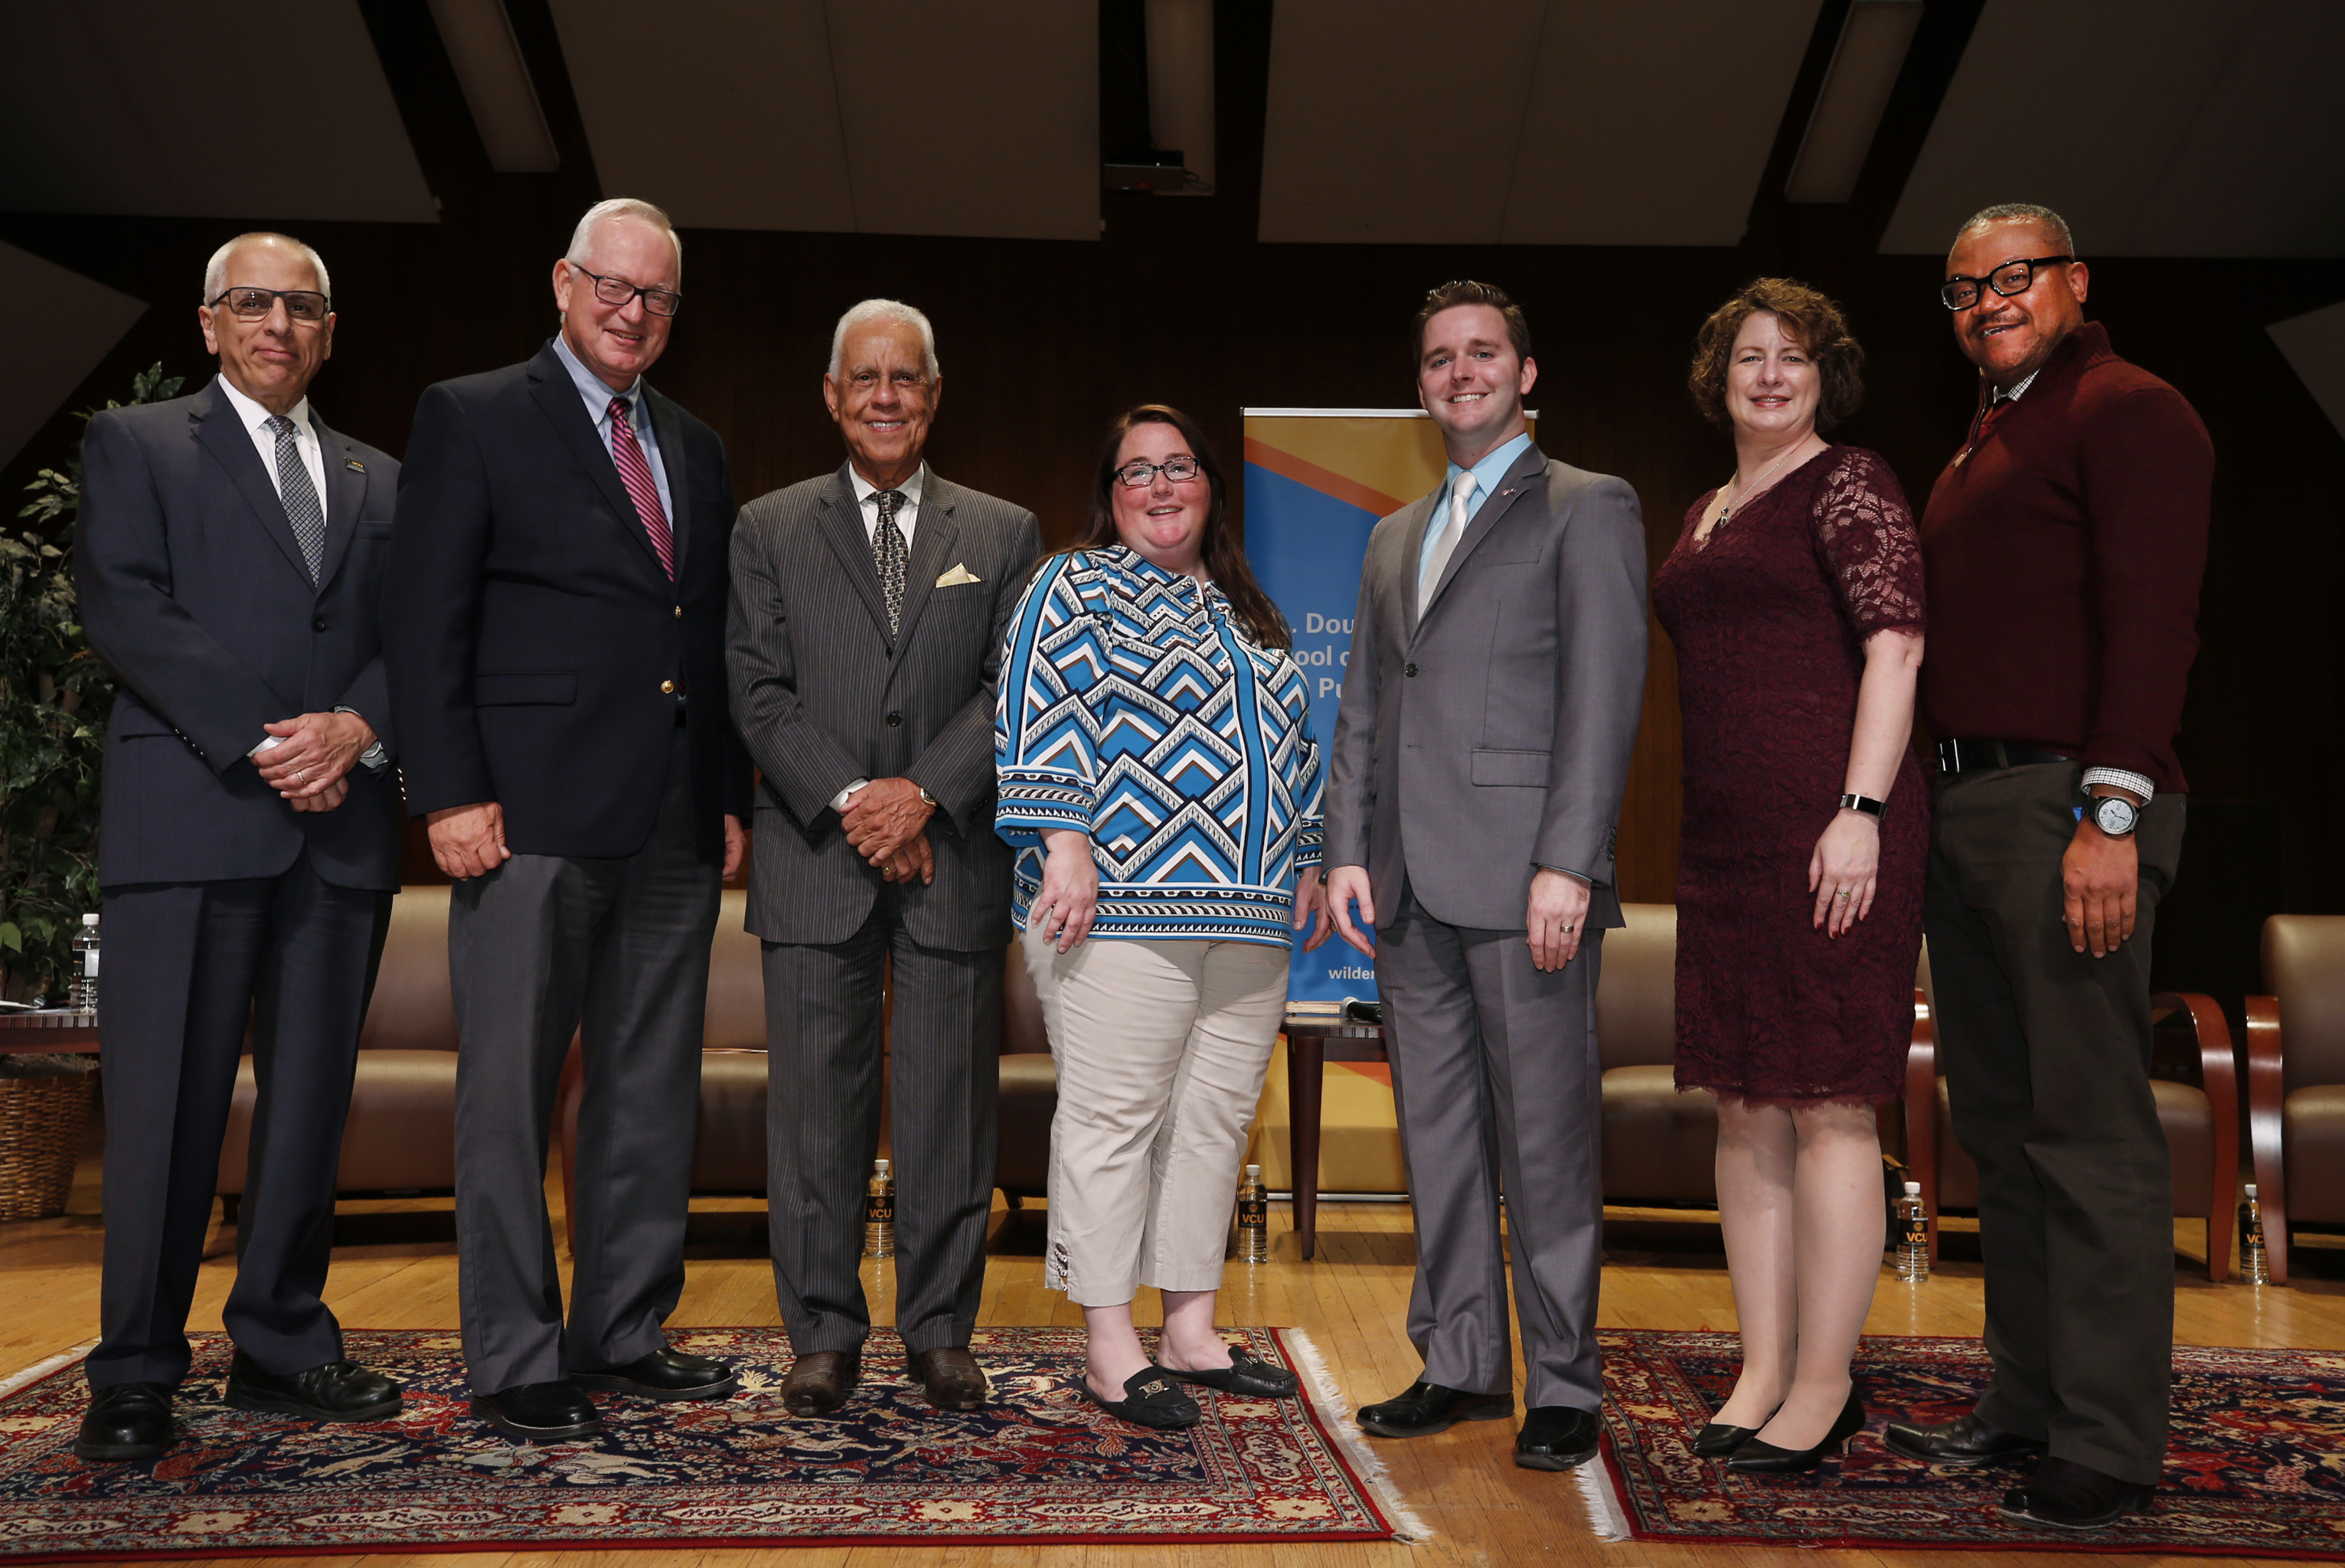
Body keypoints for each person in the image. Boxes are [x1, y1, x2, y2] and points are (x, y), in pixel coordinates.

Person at [382, 198, 751, 1443]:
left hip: (670, 819)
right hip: (522, 812)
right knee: (508, 1094)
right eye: (613, 286)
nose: (632, 311)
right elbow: (423, 618)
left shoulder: (695, 446)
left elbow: (702, 633)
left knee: (649, 1091)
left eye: (656, 296)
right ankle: (515, 1354)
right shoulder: (473, 413)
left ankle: (625, 1331)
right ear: (562, 282)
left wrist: (729, 795)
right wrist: (445, 789)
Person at [1881, 204, 2211, 1529]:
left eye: (2013, 277)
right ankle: (2025, 1404)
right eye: (1963, 288)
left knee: (2088, 1133)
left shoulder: (2131, 409)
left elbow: (2156, 617)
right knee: (2002, 1135)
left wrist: (2110, 816)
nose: (1987, 300)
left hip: (2071, 806)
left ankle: (2112, 1442)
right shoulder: (1989, 434)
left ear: (2075, 281)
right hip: (1970, 808)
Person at [73, 233, 404, 1460]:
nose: (279, 323)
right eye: (253, 303)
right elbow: (124, 603)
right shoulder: (140, 443)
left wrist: (360, 725)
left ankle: (279, 1342)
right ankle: (137, 1369)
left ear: (329, 331)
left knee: (312, 1106)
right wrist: (272, 743)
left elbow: (421, 627)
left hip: (342, 831)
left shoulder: (383, 474)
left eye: (303, 306)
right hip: (193, 817)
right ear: (209, 324)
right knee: (164, 1110)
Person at [1323, 282, 1647, 1472]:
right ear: (1421, 385)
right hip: (1405, 881)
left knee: (1547, 1140)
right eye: (1440, 359)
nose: (1461, 372)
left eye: (1483, 352)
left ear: (1527, 373)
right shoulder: (1392, 535)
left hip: (1527, 885)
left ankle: (1564, 1380)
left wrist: (1571, 861)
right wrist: (1346, 847)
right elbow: (1364, 702)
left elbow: (1605, 703)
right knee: (1442, 1135)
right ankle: (1461, 1362)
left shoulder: (1587, 506)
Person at [727, 300, 1040, 1416]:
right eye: (864, 378)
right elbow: (757, 693)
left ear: (934, 392)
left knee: (951, 1106)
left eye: (906, 377)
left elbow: (1015, 691)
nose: (886, 396)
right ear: (832, 395)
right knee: (814, 1111)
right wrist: (864, 804)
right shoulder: (767, 527)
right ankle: (821, 1333)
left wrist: (924, 799)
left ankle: (941, 1329)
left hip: (950, 855)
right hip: (818, 853)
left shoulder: (1002, 532)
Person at [997, 405, 1329, 1430]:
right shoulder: (1072, 584)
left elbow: (1295, 743)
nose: (1160, 486)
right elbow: (1036, 705)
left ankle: (1190, 1331)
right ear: (1110, 494)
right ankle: (1109, 1347)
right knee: (1114, 1123)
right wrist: (1065, 846)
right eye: (1136, 472)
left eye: (1178, 467)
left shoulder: (1247, 607)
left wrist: (1308, 856)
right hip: (1119, 908)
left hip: (1255, 915)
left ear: (1208, 485)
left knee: (1213, 1126)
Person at [1652, 279, 1928, 1474]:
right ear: (1719, 379)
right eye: (1750, 357)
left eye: (1795, 358)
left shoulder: (1850, 480)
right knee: (1745, 1100)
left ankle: (1826, 1384)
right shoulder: (1710, 506)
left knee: (1828, 1102)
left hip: (1835, 833)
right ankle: (1760, 1368)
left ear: (1826, 377)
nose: (1771, 375)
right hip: (1725, 844)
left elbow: (1897, 642)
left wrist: (1859, 809)